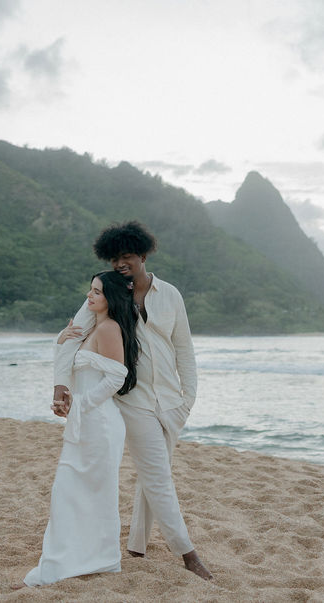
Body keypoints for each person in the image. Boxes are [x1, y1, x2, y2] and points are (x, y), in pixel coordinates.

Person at [53, 221, 213, 580]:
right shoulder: (109, 293)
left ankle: (138, 543)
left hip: (173, 402)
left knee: (156, 474)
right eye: (114, 258)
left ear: (142, 255)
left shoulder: (170, 295)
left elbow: (184, 348)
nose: (120, 263)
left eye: (126, 256)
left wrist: (190, 397)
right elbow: (72, 338)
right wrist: (60, 383)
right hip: (132, 402)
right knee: (158, 478)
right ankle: (188, 555)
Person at [23, 271, 140, 587]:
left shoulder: (110, 328)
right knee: (72, 493)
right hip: (88, 421)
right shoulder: (91, 328)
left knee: (90, 494)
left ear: (111, 298)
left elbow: (117, 377)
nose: (89, 296)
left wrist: (81, 405)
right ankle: (79, 559)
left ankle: (90, 560)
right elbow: (77, 370)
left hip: (100, 424)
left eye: (97, 292)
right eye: (90, 290)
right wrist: (60, 342)